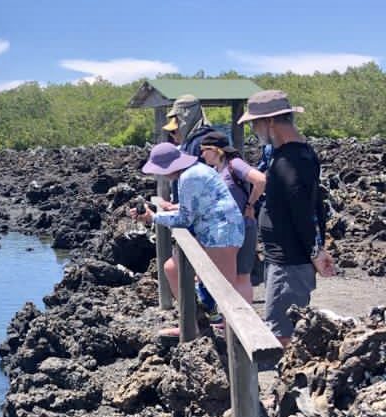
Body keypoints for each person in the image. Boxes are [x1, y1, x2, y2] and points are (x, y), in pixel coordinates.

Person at [237, 90, 335, 347]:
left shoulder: (289, 161)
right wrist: (317, 249)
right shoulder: (299, 154)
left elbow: (305, 210)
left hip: (289, 262)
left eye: (254, 123)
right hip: (285, 259)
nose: (253, 129)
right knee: (284, 328)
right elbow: (315, 204)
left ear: (269, 121)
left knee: (282, 335)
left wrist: (316, 252)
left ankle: (287, 384)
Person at [130, 142, 244, 337]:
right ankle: (193, 323)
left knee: (224, 291)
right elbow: (197, 205)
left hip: (222, 233)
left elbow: (185, 219)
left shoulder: (189, 177)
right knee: (172, 268)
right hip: (220, 230)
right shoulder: (197, 170)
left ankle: (226, 339)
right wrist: (169, 208)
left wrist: (152, 218)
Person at [199, 131, 266, 304]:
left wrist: (250, 205)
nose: (202, 154)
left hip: (242, 226)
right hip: (224, 230)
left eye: (204, 149)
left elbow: (260, 180)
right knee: (227, 275)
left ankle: (243, 321)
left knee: (241, 276)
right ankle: (229, 322)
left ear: (215, 150)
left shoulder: (234, 164)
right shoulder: (216, 170)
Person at [160, 94, 216, 204]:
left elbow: (199, 183)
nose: (173, 135)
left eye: (173, 131)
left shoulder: (200, 141)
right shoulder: (191, 141)